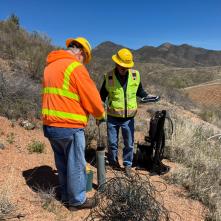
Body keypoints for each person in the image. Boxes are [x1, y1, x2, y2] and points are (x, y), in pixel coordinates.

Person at [42, 37, 105, 210]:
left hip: (50, 125)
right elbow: (92, 97)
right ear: (81, 53)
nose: (83, 61)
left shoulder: (50, 67)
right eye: (85, 58)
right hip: (69, 126)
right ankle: (77, 201)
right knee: (76, 165)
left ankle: (65, 195)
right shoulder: (75, 67)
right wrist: (100, 114)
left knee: (62, 164)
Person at [99, 48, 149, 177]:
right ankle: (113, 162)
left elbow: (140, 92)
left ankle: (127, 165)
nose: (123, 68)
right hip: (112, 117)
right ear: (116, 63)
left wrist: (147, 96)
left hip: (128, 118)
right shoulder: (109, 77)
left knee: (129, 143)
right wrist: (99, 111)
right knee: (112, 142)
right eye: (121, 65)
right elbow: (101, 96)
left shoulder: (135, 75)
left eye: (126, 66)